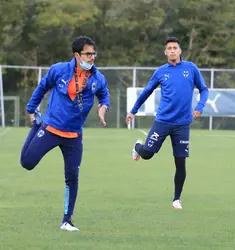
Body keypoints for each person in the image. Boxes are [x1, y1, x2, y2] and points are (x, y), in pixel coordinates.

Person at [20, 36, 110, 231]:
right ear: (77, 55)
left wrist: (103, 107)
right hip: (50, 128)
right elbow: (43, 87)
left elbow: (104, 94)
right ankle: (36, 126)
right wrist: (30, 108)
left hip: (74, 136)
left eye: (94, 53)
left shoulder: (98, 78)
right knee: (27, 163)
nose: (92, 57)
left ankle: (67, 220)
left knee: (72, 177)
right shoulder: (59, 70)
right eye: (88, 53)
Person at [126, 36, 209, 210]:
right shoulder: (160, 72)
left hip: (182, 125)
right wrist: (133, 110)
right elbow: (147, 91)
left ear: (180, 51)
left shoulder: (191, 68)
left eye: (174, 48)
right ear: (165, 53)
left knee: (180, 162)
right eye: (169, 48)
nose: (172, 50)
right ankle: (137, 147)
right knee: (147, 153)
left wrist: (200, 106)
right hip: (163, 121)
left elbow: (204, 89)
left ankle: (176, 199)